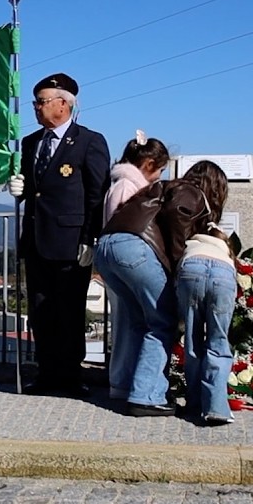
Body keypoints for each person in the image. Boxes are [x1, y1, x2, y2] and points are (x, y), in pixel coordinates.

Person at [7, 73, 109, 398]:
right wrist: (19, 188)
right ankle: (47, 372)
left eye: (42, 101)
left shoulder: (88, 141)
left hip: (70, 241)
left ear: (63, 104)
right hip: (37, 238)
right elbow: (33, 188)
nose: (36, 108)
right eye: (35, 102)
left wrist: (89, 238)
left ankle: (69, 375)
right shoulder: (32, 142)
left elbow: (97, 194)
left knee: (68, 310)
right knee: (41, 310)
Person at [97, 160, 217, 416]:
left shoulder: (164, 186)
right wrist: (178, 263)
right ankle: (146, 396)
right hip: (136, 249)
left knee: (138, 321)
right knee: (163, 323)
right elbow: (177, 214)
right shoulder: (190, 191)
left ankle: (127, 386)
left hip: (108, 247)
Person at [102, 130, 170, 402]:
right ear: (149, 165)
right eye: (160, 170)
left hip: (111, 260)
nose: (160, 177)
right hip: (129, 261)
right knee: (131, 323)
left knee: (125, 322)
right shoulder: (131, 188)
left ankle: (122, 381)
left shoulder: (117, 184)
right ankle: (126, 382)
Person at [171, 160, 237, 426]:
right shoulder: (218, 228)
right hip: (222, 270)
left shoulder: (185, 207)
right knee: (219, 340)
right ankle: (217, 407)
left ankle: (194, 402)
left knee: (193, 339)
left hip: (191, 267)